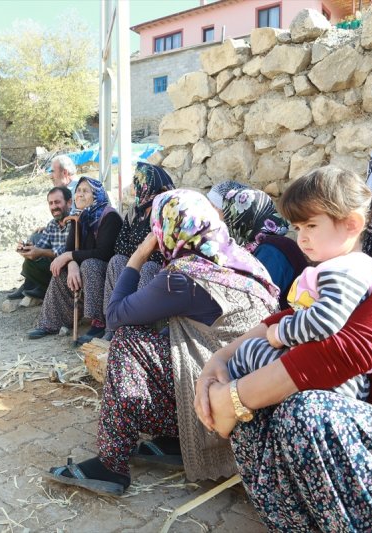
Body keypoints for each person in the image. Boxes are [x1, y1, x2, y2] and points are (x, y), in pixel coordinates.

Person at [195, 137, 372, 531]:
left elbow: (345, 352)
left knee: (305, 411)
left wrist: (232, 400)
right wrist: (222, 359)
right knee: (267, 409)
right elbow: (296, 312)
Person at [43, 190, 278, 496]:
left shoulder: (185, 276)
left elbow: (115, 317)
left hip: (220, 397)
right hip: (250, 390)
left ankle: (111, 463)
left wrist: (139, 256)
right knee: (165, 339)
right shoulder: (239, 258)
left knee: (130, 341)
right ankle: (177, 440)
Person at [227, 166, 372, 401]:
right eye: (298, 228)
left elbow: (325, 319)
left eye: (311, 226)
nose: (302, 237)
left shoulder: (346, 270)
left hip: (335, 381)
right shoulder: (345, 266)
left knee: (248, 353)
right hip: (328, 373)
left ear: (352, 224)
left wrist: (280, 332)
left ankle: (229, 413)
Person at [27, 177, 122, 340]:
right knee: (60, 270)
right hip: (85, 267)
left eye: (86, 191)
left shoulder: (109, 216)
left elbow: (104, 253)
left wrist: (70, 256)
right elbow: (70, 249)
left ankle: (99, 322)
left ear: (97, 194)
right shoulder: (79, 217)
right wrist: (71, 264)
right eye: (78, 190)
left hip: (108, 274)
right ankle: (51, 321)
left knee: (89, 265)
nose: (80, 194)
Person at [94, 162, 175, 343]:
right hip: (138, 259)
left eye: (139, 181)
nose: (135, 186)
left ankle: (140, 327)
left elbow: (162, 250)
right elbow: (119, 245)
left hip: (161, 265)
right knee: (116, 261)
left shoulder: (165, 208)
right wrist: (141, 249)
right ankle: (112, 326)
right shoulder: (135, 211)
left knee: (149, 267)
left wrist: (143, 251)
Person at [208, 181, 306, 310]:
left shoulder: (273, 251)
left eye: (221, 212)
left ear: (238, 217)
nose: (216, 219)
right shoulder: (258, 246)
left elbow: (257, 299)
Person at [8, 187, 73, 301]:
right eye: (51, 203)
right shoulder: (52, 224)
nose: (54, 207)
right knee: (29, 264)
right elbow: (40, 247)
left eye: (57, 202)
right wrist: (26, 249)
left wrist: (40, 252)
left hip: (74, 267)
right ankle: (45, 290)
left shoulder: (76, 220)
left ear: (69, 202)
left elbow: (70, 250)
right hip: (56, 267)